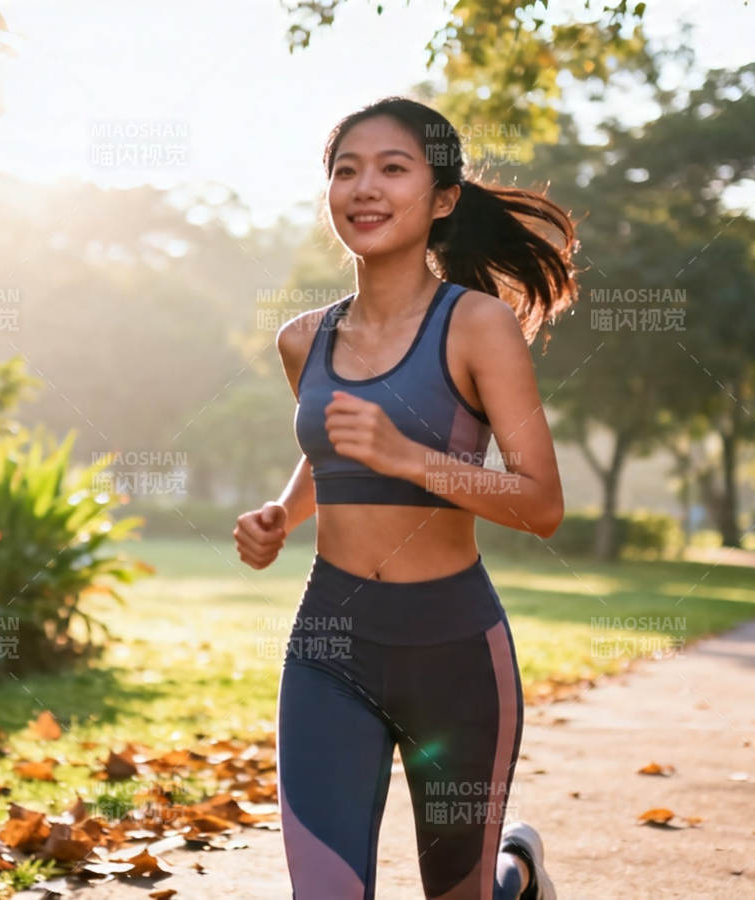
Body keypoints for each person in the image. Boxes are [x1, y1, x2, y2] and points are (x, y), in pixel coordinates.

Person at [234, 96, 577, 899]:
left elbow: (542, 505)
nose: (364, 188)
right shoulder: (303, 339)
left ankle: (517, 875)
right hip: (329, 646)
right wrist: (283, 514)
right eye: (346, 170)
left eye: (393, 169)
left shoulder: (479, 326)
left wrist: (410, 457)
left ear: (443, 198)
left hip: (454, 651)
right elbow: (332, 452)